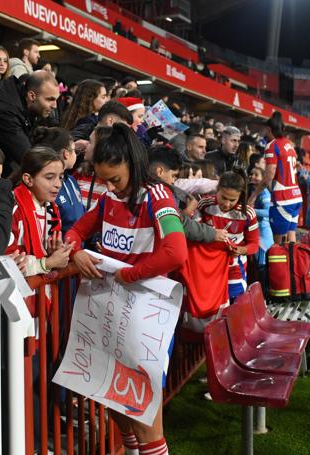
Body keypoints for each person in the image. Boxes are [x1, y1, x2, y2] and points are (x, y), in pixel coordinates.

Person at [65, 123, 186, 455]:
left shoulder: (159, 197)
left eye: (115, 179)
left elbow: (176, 251)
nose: (110, 186)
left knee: (146, 421)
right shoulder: (109, 197)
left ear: (133, 164)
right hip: (111, 314)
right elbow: (76, 230)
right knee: (114, 400)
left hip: (147, 321)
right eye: (105, 180)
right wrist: (76, 252)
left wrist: (132, 274)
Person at [6, 147, 73, 276]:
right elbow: (6, 262)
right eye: (49, 177)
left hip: (41, 291)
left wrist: (53, 251)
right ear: (28, 179)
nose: (58, 184)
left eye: (60, 177)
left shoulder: (53, 209)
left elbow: (48, 255)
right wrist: (47, 263)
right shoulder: (13, 209)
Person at [196, 170, 260, 301]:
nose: (226, 204)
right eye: (223, 197)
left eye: (232, 200)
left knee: (234, 303)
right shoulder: (204, 205)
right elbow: (195, 234)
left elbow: (254, 245)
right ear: (217, 190)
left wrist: (242, 250)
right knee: (210, 304)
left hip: (234, 267)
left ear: (240, 196)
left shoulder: (247, 213)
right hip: (208, 265)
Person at [0, 70, 60, 174]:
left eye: (56, 99)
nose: (54, 105)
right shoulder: (6, 112)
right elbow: (28, 158)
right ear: (32, 96)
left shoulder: (24, 102)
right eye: (50, 99)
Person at [249, 112, 302, 244]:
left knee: (278, 245)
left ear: (269, 129)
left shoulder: (272, 146)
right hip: (296, 196)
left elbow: (269, 176)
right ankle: (291, 264)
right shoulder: (289, 144)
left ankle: (278, 265)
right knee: (291, 240)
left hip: (282, 199)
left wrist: (254, 195)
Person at [30, 126, 85, 234]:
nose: (76, 155)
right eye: (75, 151)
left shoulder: (71, 180)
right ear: (66, 153)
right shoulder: (43, 185)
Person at [249, 166, 273, 290]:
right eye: (251, 174)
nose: (252, 177)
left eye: (256, 175)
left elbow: (268, 212)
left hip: (264, 236)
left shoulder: (264, 193)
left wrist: (251, 210)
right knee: (256, 266)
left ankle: (264, 297)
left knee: (262, 266)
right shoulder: (252, 193)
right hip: (256, 234)